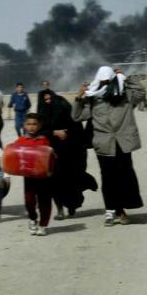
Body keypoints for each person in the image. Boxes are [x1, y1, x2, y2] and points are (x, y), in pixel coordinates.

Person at [73, 66, 143, 226]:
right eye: (102, 81)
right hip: (104, 145)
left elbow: (140, 92)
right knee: (108, 178)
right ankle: (111, 211)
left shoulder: (125, 97)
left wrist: (125, 77)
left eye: (108, 81)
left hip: (123, 143)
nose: (105, 84)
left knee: (125, 176)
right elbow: (77, 116)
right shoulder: (93, 99)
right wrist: (79, 96)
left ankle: (121, 209)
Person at [36, 87, 89, 220]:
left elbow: (77, 127)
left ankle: (71, 206)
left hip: (71, 152)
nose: (48, 102)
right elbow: (39, 132)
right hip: (53, 154)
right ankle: (60, 210)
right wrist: (54, 132)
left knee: (71, 180)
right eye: (45, 100)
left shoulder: (65, 109)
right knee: (54, 183)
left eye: (50, 98)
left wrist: (68, 134)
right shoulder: (41, 115)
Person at [14, 112, 53, 236]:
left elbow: (48, 157)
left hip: (43, 177)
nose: (31, 127)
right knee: (29, 201)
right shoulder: (21, 140)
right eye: (29, 124)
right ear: (24, 125)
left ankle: (43, 224)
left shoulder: (44, 140)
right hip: (29, 177)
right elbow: (15, 155)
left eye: (34, 124)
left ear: (39, 125)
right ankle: (32, 218)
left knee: (44, 201)